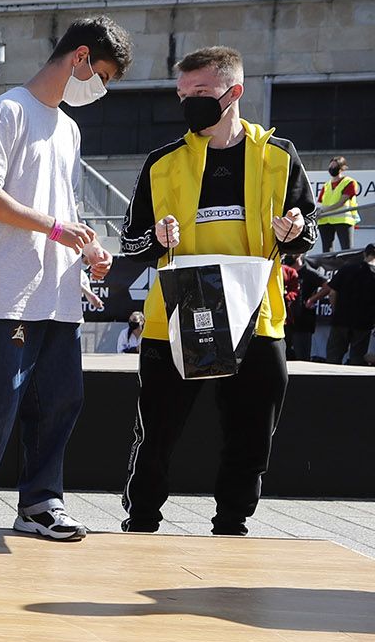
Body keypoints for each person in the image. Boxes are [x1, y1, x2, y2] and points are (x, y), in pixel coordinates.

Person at [0, 16, 131, 542]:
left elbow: (64, 207)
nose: (103, 89)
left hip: (59, 294)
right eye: (105, 75)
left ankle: (41, 503)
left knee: (61, 401)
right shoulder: (6, 111)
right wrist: (53, 228)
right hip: (5, 291)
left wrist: (86, 254)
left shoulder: (68, 128)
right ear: (81, 58)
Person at [115, 46, 316, 536]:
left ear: (235, 92)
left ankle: (233, 524)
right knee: (158, 431)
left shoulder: (278, 155)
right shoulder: (162, 162)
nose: (188, 104)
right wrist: (156, 238)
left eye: (201, 93)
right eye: (183, 95)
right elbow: (130, 240)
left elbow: (305, 226)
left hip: (256, 312)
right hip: (178, 313)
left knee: (252, 432)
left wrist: (294, 229)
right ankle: (141, 520)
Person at [321, 244, 375, 364]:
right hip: (364, 322)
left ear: (365, 254)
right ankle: (354, 382)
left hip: (341, 319)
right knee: (357, 357)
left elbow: (332, 293)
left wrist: (335, 311)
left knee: (333, 356)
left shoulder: (347, 268)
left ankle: (329, 381)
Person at [314, 156, 359, 253]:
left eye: (335, 166)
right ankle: (328, 268)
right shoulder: (326, 185)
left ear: (342, 168)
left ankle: (347, 268)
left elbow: (341, 202)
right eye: (331, 165)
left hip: (343, 220)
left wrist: (323, 210)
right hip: (325, 221)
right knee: (326, 251)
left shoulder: (349, 182)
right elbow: (320, 203)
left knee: (346, 249)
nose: (332, 168)